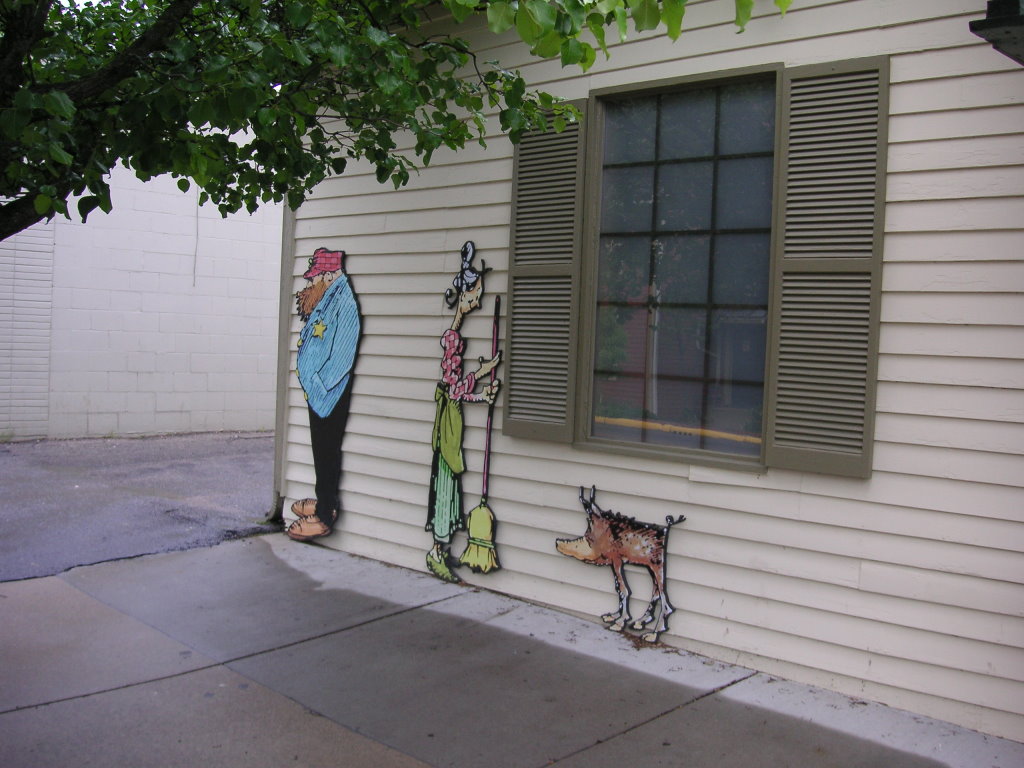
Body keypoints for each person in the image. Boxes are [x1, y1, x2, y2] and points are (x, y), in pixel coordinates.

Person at [425, 241, 501, 582]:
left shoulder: (455, 337)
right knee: (446, 484)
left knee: (451, 484)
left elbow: (456, 383)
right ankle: (435, 551)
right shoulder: (452, 339)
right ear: (465, 294)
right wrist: (482, 392)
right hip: (448, 425)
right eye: (476, 296)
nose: (479, 302)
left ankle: (443, 549)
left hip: (452, 419)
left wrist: (483, 373)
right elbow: (454, 389)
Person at [287, 247, 362, 541]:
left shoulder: (344, 302)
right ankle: (323, 499)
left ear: (329, 275)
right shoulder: (329, 297)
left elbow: (342, 357)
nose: (311, 282)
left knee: (327, 450)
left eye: (315, 277)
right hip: (318, 395)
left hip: (327, 396)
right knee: (321, 450)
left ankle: (325, 514)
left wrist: (318, 384)